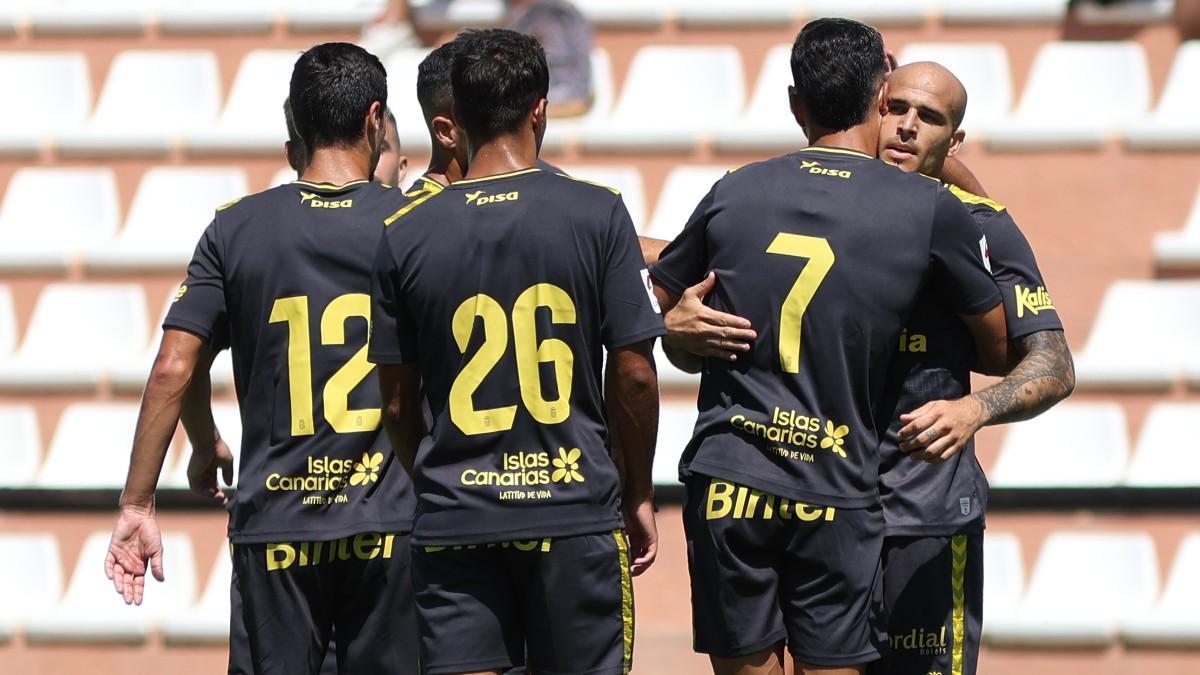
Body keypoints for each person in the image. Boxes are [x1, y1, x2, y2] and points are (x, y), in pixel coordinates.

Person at [650, 18, 1009, 675]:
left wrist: (676, 330)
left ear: (795, 105)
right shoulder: (927, 210)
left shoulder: (736, 190)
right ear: (880, 98)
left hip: (730, 476)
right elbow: (999, 348)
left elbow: (674, 315)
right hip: (834, 476)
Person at [105, 42, 420, 674]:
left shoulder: (234, 228)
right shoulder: (419, 220)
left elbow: (175, 365)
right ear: (374, 119)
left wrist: (141, 500)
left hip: (277, 526)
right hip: (394, 520)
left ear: (295, 129)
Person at [370, 28, 662, 675]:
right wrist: (637, 490)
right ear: (540, 108)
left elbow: (394, 397)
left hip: (456, 515)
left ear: (455, 121)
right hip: (574, 511)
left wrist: (438, 478)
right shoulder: (598, 212)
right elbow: (636, 375)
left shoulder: (403, 233)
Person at [867, 61, 1075, 675]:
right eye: (896, 109)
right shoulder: (816, 204)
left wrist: (975, 408)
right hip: (824, 508)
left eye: (928, 118)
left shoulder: (985, 225)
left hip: (925, 518)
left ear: (953, 141)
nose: (906, 127)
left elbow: (1055, 365)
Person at [504, 0, 593, 117]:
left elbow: (580, 97)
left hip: (568, 103)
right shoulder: (518, 20)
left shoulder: (566, 15)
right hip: (530, 109)